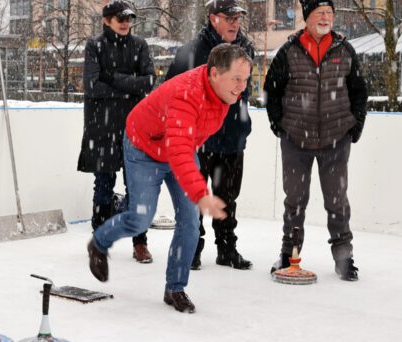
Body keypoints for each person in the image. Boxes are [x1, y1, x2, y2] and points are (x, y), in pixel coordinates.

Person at [87, 43, 252, 313]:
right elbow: (179, 153)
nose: (242, 86)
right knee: (141, 216)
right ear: (213, 74)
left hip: (179, 147)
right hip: (145, 147)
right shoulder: (187, 94)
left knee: (189, 220)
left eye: (245, 79)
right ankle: (99, 243)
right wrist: (201, 193)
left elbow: (185, 145)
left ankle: (175, 287)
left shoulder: (223, 94)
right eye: (236, 78)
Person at [264, 0, 368, 281]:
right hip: (296, 139)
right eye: (319, 13)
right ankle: (290, 253)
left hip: (336, 139)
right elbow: (271, 90)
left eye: (329, 13)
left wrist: (354, 127)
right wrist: (280, 125)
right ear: (307, 18)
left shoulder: (345, 50)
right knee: (295, 201)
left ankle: (344, 258)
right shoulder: (289, 50)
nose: (325, 17)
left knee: (337, 201)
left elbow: (359, 91)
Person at [165, 0, 254, 270]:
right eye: (229, 18)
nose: (235, 23)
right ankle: (192, 249)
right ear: (213, 18)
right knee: (194, 197)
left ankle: (227, 249)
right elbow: (171, 90)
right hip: (199, 139)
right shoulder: (192, 51)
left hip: (232, 137)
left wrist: (241, 122)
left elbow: (244, 92)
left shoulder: (246, 49)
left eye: (238, 18)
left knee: (228, 196)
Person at [77, 0, 155, 264]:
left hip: (135, 127)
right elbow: (91, 87)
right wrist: (128, 89)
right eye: (119, 18)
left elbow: (149, 82)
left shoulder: (140, 46)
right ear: (106, 20)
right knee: (103, 185)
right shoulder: (94, 46)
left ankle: (140, 243)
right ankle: (99, 241)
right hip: (102, 127)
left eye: (129, 18)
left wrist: (113, 78)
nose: (125, 23)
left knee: (137, 187)